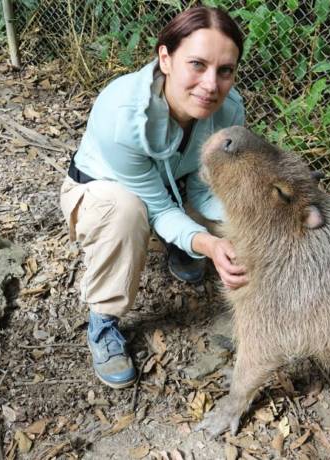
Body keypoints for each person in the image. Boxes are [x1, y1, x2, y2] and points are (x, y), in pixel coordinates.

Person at [59, 6, 248, 389]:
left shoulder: (229, 109)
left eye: (224, 70)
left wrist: (236, 225)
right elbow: (157, 208)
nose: (211, 84)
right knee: (126, 212)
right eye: (197, 64)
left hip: (175, 187)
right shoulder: (123, 115)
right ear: (165, 57)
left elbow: (206, 185)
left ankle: (185, 249)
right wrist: (209, 241)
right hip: (104, 193)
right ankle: (103, 321)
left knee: (242, 211)